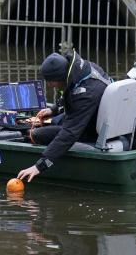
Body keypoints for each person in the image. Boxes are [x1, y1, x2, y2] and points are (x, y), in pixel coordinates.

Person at [16, 49, 111, 182]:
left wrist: (41, 165)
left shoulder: (86, 93)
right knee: (55, 120)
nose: (49, 85)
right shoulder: (85, 69)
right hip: (95, 119)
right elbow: (70, 92)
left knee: (38, 134)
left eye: (50, 82)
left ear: (59, 77)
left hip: (91, 129)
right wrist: (54, 110)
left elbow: (69, 133)